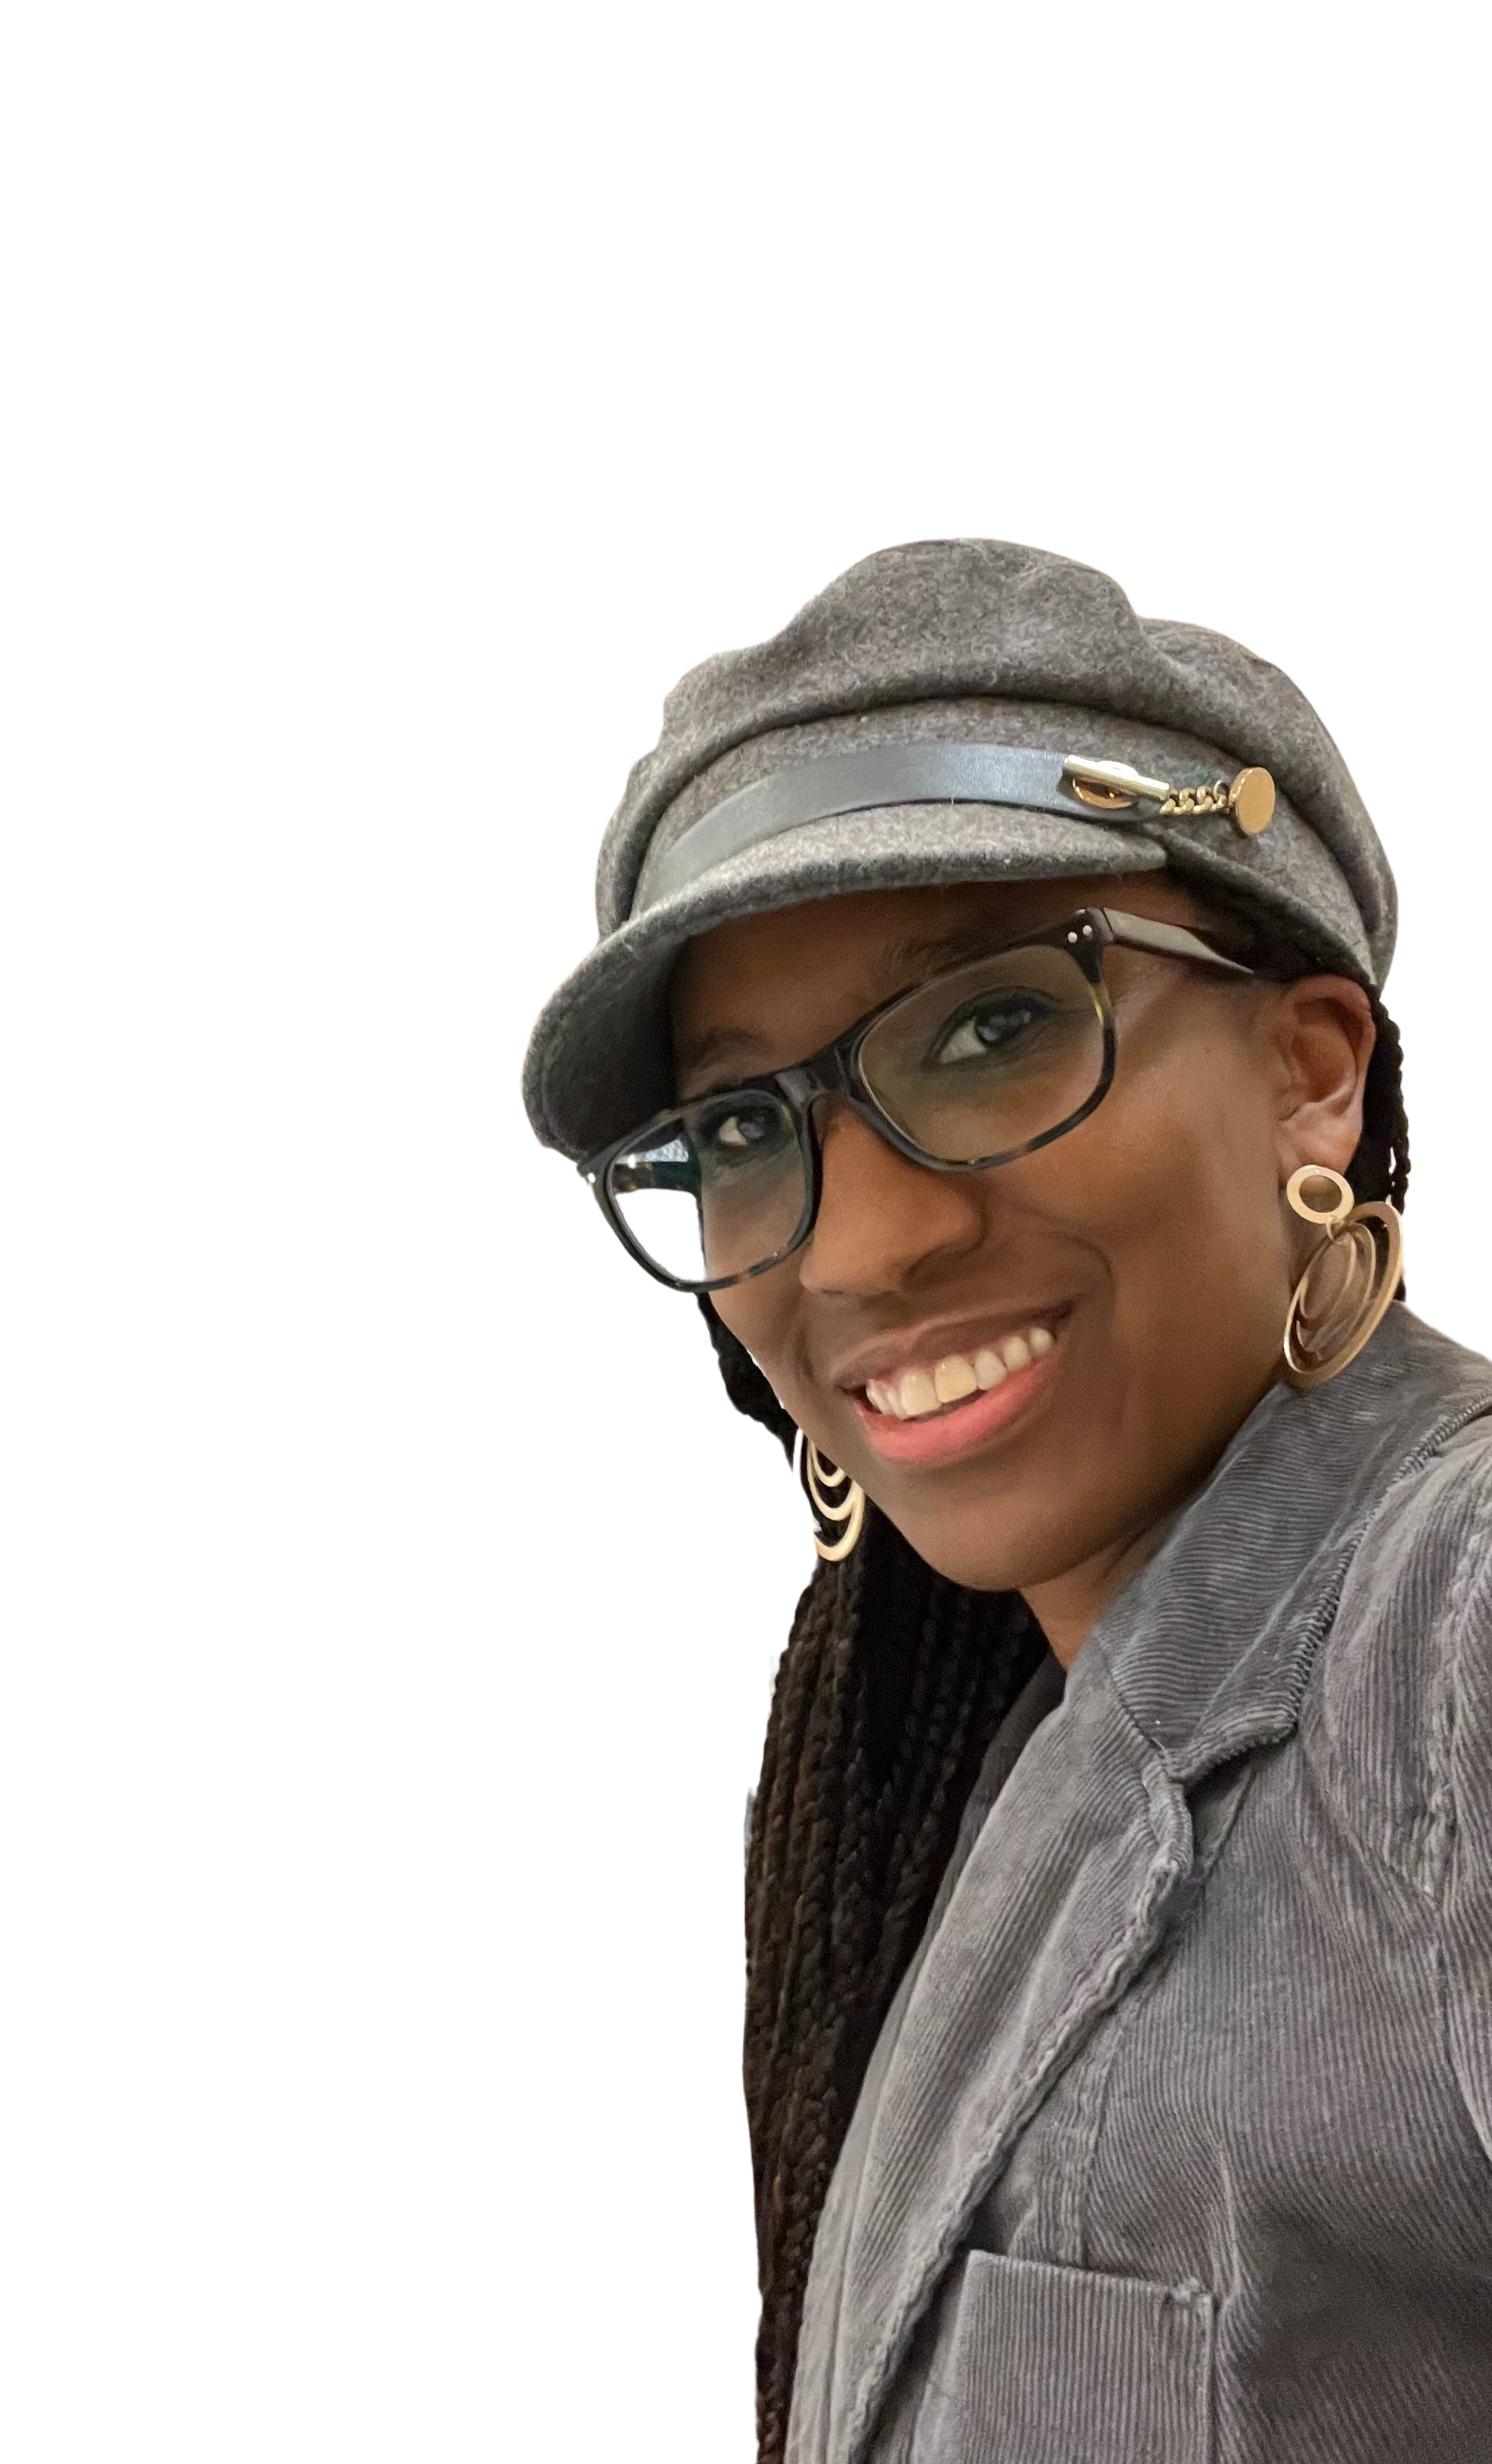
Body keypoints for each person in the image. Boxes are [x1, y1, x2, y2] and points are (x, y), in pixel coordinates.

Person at [518, 539, 1492, 2463]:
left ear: (1310, 1070)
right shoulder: (994, 1751)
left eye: (990, 1026)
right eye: (742, 1125)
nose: (863, 1244)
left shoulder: (1448, 1624)